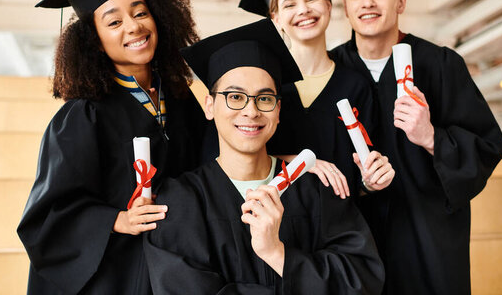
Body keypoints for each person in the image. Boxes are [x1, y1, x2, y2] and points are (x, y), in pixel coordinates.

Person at [144, 18, 385, 294]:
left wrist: (278, 254)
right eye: (235, 97)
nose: (251, 111)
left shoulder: (315, 191)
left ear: (278, 110)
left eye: (265, 98)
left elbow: (362, 279)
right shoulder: (180, 201)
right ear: (210, 106)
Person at [329, 0, 502, 295]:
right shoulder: (332, 72)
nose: (368, 3)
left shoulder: (441, 65)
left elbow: (487, 146)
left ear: (401, 1)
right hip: (359, 241)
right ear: (345, 6)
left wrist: (431, 138)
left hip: (429, 239)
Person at [17, 0, 206, 294]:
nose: (134, 27)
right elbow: (50, 214)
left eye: (140, 13)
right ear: (95, 41)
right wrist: (117, 220)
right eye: (114, 22)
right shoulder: (82, 116)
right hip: (114, 275)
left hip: (177, 265)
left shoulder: (180, 98)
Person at [238, 0, 394, 198]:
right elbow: (237, 152)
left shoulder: (356, 85)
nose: (303, 10)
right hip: (275, 221)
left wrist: (372, 181)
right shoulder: (264, 83)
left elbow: (363, 178)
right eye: (289, 5)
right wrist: (301, 161)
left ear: (329, 6)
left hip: (343, 224)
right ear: (275, 18)